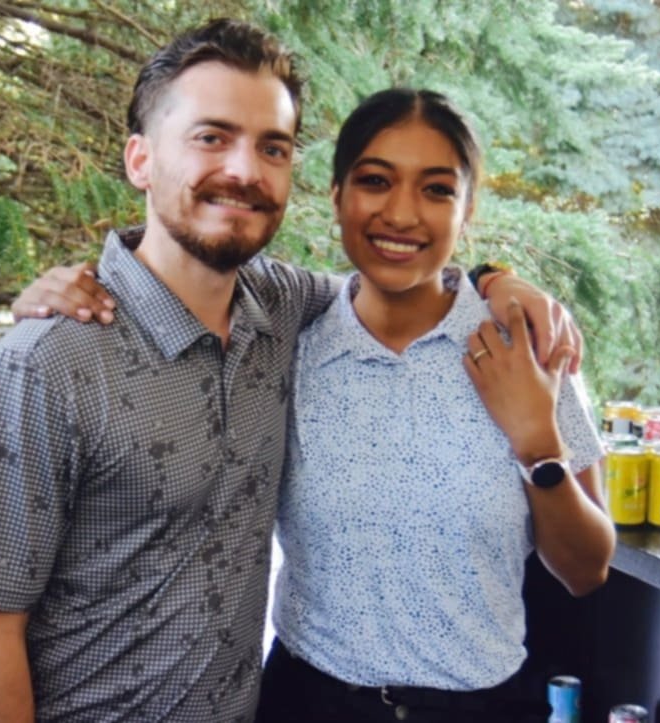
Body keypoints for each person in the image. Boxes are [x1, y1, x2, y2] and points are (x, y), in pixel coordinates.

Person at [0, 19, 590, 723]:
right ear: (139, 159)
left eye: (270, 147)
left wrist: (498, 281)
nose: (244, 171)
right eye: (211, 136)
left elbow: (397, 278)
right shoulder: (49, 361)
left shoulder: (285, 311)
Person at [250, 88, 615, 723]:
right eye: (375, 180)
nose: (401, 214)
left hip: (482, 707)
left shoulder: (528, 347)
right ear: (336, 195)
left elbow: (587, 569)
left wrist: (537, 446)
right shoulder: (289, 347)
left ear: (467, 211)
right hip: (307, 702)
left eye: (436, 189)